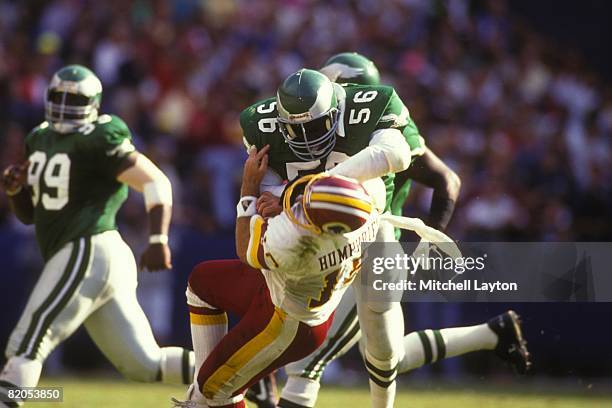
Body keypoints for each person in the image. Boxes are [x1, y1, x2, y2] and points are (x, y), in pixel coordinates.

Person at [250, 54, 530, 408]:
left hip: (370, 256)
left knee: (310, 365)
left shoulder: (382, 131)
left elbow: (446, 180)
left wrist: (426, 243)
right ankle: (492, 333)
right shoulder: (315, 133)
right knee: (385, 357)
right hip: (330, 252)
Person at [0, 65, 194, 407]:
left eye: (73, 99)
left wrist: (157, 239)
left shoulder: (100, 136)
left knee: (26, 344)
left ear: (94, 103)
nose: (63, 106)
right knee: (145, 365)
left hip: (89, 247)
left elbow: (155, 181)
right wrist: (17, 191)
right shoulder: (39, 138)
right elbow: (31, 215)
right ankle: (242, 372)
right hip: (89, 256)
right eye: (58, 97)